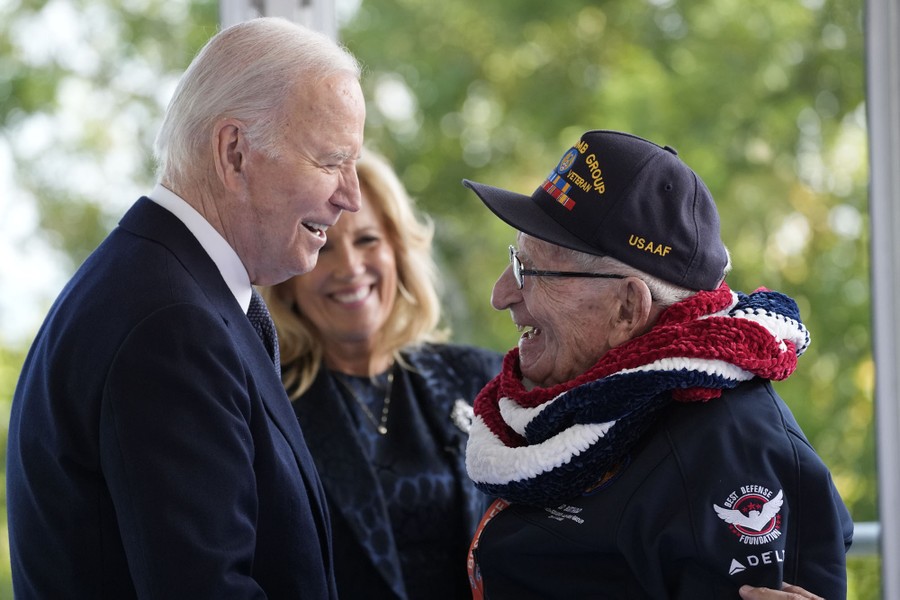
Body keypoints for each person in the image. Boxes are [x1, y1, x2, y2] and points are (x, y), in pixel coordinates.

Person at [7, 17, 365, 598]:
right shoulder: (172, 325)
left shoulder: (166, 287)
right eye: (331, 161)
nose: (351, 196)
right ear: (234, 153)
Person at [460, 130, 853, 599]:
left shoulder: (732, 452)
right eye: (513, 260)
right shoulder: (570, 403)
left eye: (530, 271)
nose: (500, 294)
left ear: (628, 307)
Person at [261, 148, 502, 600]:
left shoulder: (483, 379)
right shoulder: (267, 406)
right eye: (324, 245)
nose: (350, 268)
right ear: (288, 277)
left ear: (398, 251)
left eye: (368, 240)